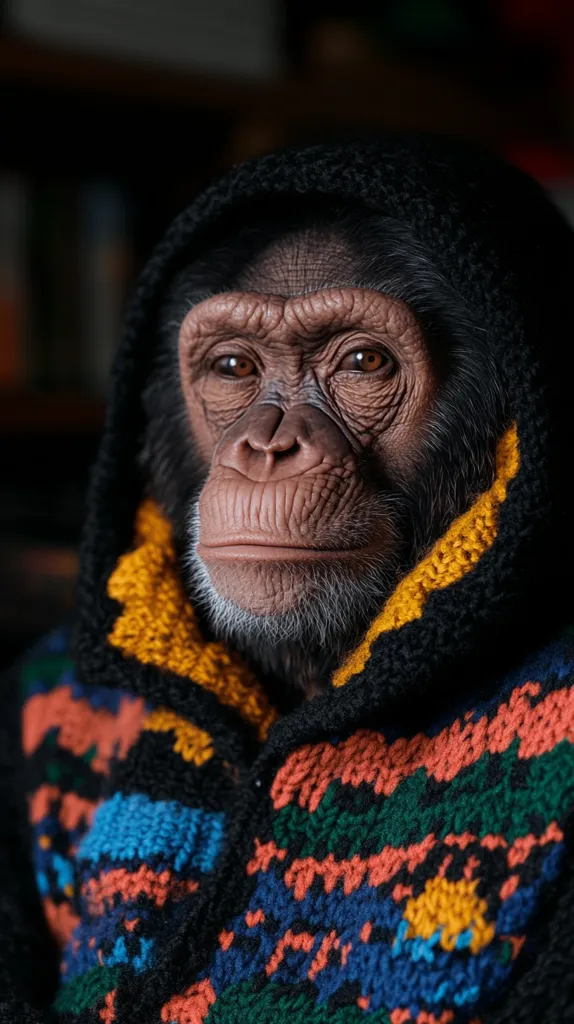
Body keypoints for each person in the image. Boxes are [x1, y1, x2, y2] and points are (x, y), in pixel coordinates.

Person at [3, 136, 574, 1024]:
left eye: (361, 363)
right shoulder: (56, 705)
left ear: (515, 412)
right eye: (232, 368)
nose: (269, 439)